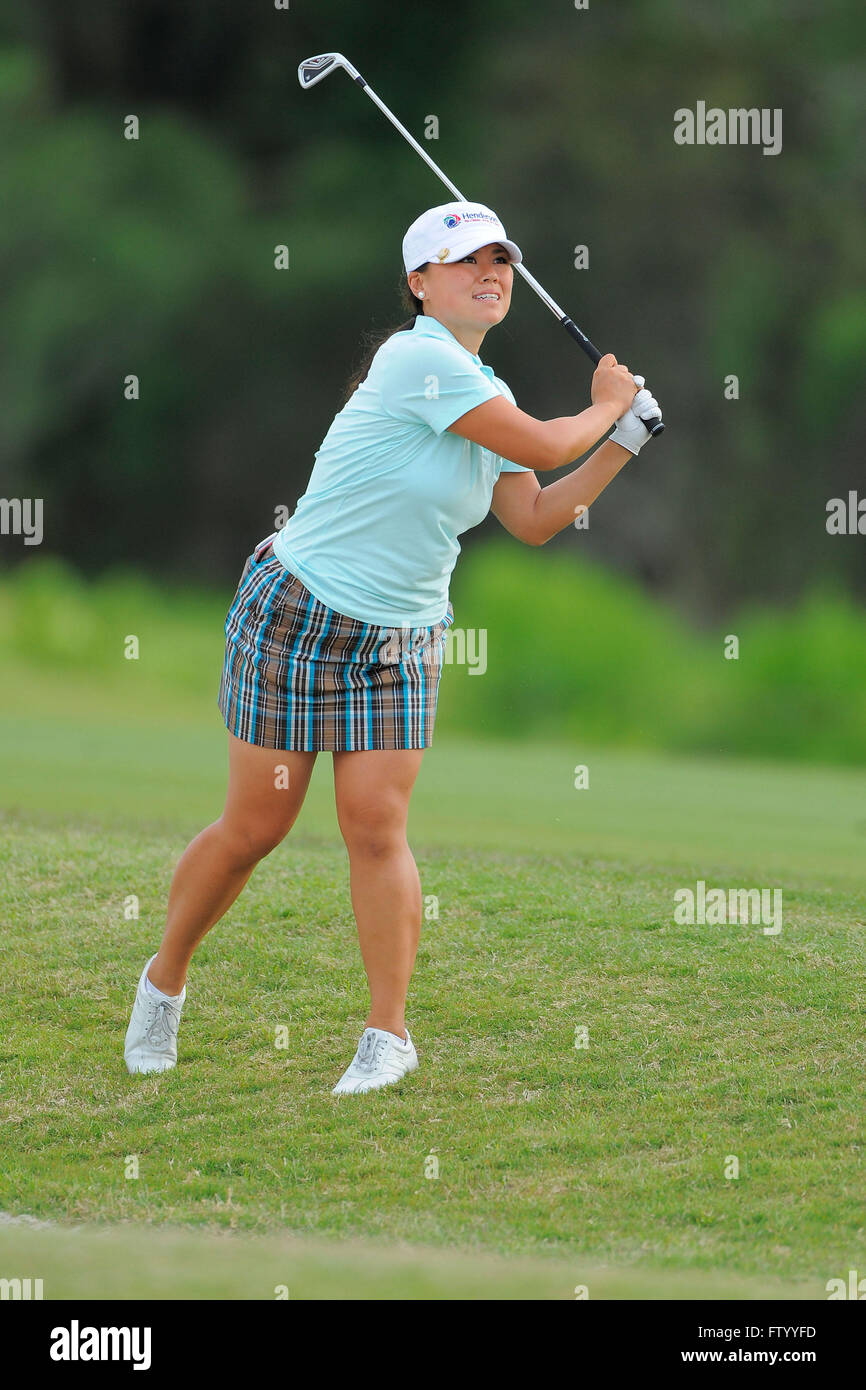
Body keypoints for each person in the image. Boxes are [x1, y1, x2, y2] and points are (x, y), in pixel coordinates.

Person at [124, 200, 663, 1093]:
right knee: (257, 826)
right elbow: (541, 441)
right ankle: (164, 980)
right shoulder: (415, 358)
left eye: (500, 260)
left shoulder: (483, 395)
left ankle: (388, 1037)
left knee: (376, 828)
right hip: (300, 612)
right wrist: (608, 404)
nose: (489, 272)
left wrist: (624, 443)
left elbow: (530, 517)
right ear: (420, 284)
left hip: (403, 637)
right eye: (465, 261)